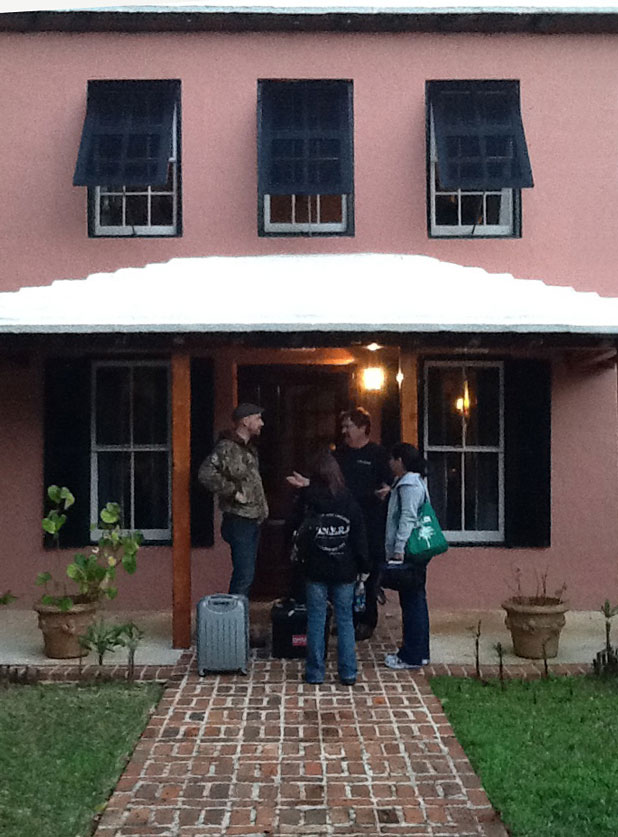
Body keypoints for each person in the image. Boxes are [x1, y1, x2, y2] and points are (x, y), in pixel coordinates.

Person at [292, 449, 370, 686]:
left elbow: (295, 529)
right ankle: (348, 673)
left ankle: (315, 673)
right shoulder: (347, 499)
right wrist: (365, 566)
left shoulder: (308, 499)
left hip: (316, 568)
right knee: (345, 620)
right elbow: (359, 535)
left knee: (316, 620)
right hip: (344, 569)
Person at [198, 403, 268, 598]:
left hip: (253, 519)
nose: (261, 423)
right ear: (245, 422)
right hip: (239, 520)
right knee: (243, 576)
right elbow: (205, 474)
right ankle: (234, 624)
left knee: (247, 574)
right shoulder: (226, 447)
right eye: (258, 418)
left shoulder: (248, 449)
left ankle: (239, 620)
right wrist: (233, 492)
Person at [334, 408, 391, 640]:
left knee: (368, 574)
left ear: (363, 428)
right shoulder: (339, 455)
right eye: (343, 426)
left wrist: (388, 490)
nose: (344, 431)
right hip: (344, 522)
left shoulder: (377, 454)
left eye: (348, 426)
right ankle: (348, 620)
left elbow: (390, 483)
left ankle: (367, 620)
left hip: (370, 524)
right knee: (346, 573)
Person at [383, 442, 431, 670]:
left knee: (412, 603)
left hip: (410, 551)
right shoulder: (412, 482)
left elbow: (408, 518)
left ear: (400, 460)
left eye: (392, 459)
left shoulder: (409, 483)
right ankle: (419, 652)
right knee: (416, 600)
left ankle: (411, 654)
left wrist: (399, 549)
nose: (390, 464)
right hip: (417, 551)